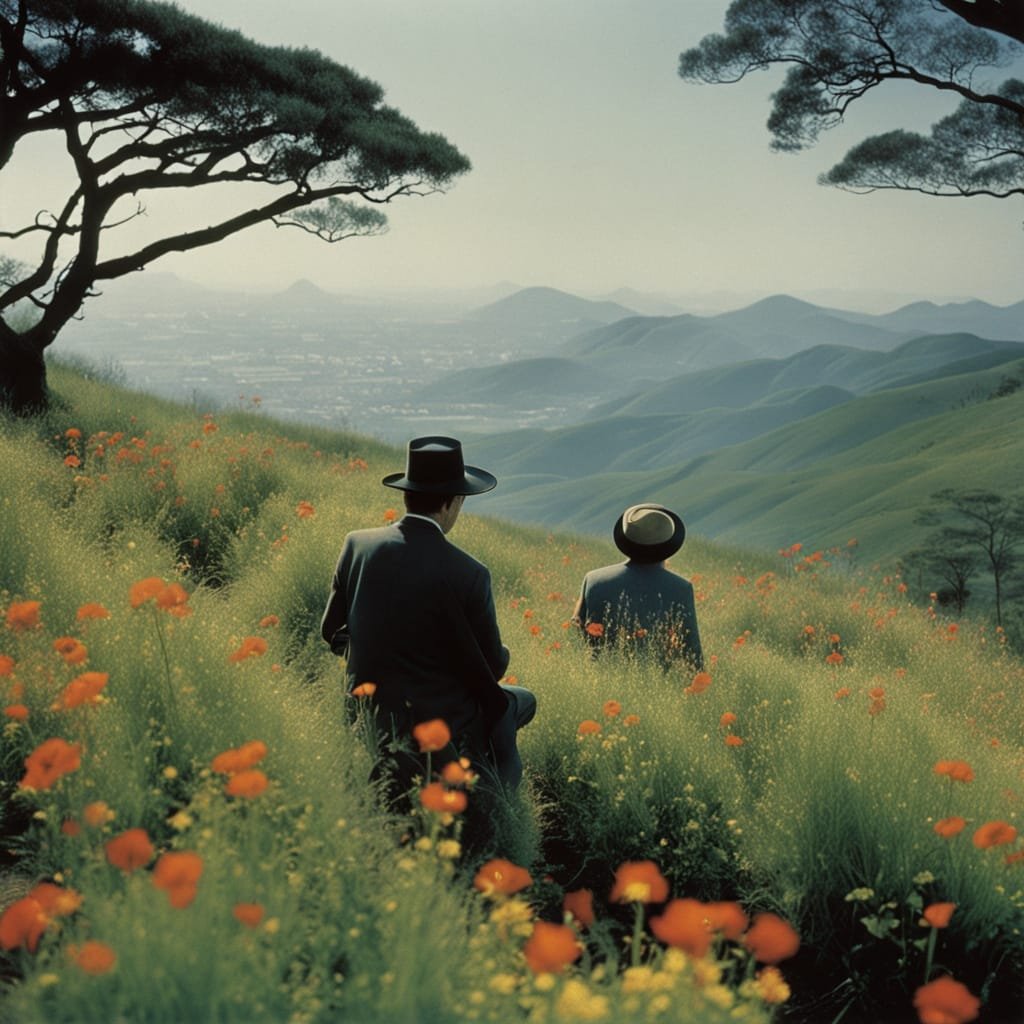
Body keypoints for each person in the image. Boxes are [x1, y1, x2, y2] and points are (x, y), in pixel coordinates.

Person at [320, 436, 536, 803]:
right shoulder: (469, 573)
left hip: (366, 716)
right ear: (453, 503)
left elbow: (330, 631)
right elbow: (493, 668)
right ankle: (499, 807)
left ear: (406, 493)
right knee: (520, 701)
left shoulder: (357, 544)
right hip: (437, 726)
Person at [572, 502, 703, 670]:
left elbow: (577, 631)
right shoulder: (680, 588)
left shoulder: (594, 579)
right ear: (668, 544)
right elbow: (691, 649)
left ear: (626, 540)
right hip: (655, 680)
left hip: (599, 675)